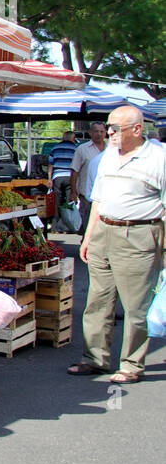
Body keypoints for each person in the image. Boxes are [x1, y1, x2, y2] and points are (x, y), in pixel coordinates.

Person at [69, 107, 165, 385]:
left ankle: (131, 364)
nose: (108, 132)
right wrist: (88, 238)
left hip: (138, 234)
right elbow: (97, 199)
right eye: (108, 127)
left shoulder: (158, 159)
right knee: (97, 300)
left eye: (114, 128)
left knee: (136, 305)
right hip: (103, 231)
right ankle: (94, 358)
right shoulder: (107, 157)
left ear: (137, 129)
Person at [70, 123, 108, 234]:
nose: (99, 134)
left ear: (106, 133)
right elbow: (74, 171)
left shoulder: (111, 149)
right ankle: (86, 247)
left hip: (106, 195)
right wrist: (73, 192)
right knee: (88, 227)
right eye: (96, 131)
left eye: (102, 131)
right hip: (87, 194)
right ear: (90, 133)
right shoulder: (82, 149)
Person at [48, 130, 79, 212]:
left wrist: (49, 179)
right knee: (69, 201)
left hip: (57, 177)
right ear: (73, 138)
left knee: (57, 202)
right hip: (70, 177)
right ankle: (68, 219)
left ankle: (57, 219)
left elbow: (50, 164)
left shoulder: (55, 148)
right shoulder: (76, 149)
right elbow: (77, 166)